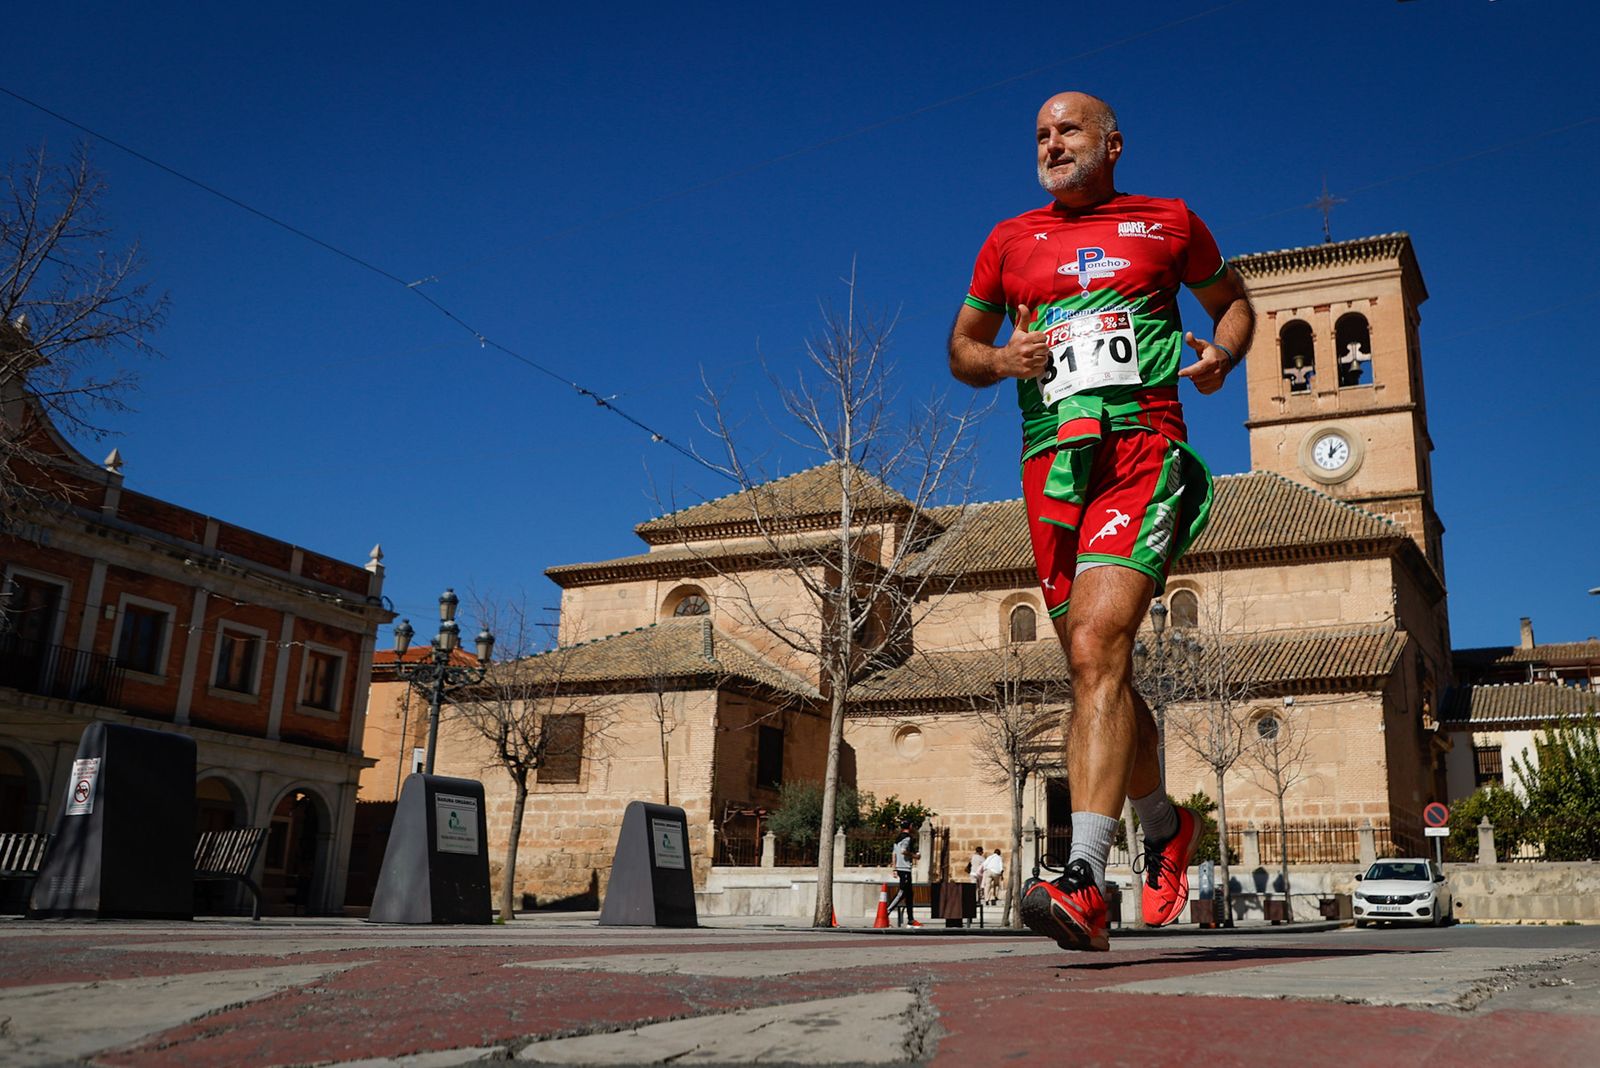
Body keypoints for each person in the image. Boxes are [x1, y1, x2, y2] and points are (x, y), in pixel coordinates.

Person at [947, 92, 1255, 952]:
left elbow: (1235, 301)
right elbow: (962, 347)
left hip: (1142, 450)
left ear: (1114, 142)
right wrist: (1001, 357)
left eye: (1068, 129)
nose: (1051, 143)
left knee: (1094, 647)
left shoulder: (1169, 222)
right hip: (1051, 467)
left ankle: (1083, 879)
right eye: (1040, 135)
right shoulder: (1008, 240)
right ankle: (1164, 826)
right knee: (1097, 665)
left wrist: (1222, 355)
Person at [890, 823, 921, 928]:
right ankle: (886, 911)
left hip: (900, 868)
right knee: (902, 892)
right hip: (905, 868)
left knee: (909, 895)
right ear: (910, 827)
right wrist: (915, 856)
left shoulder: (897, 839)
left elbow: (894, 854)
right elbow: (903, 851)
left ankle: (911, 919)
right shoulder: (907, 838)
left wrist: (894, 868)